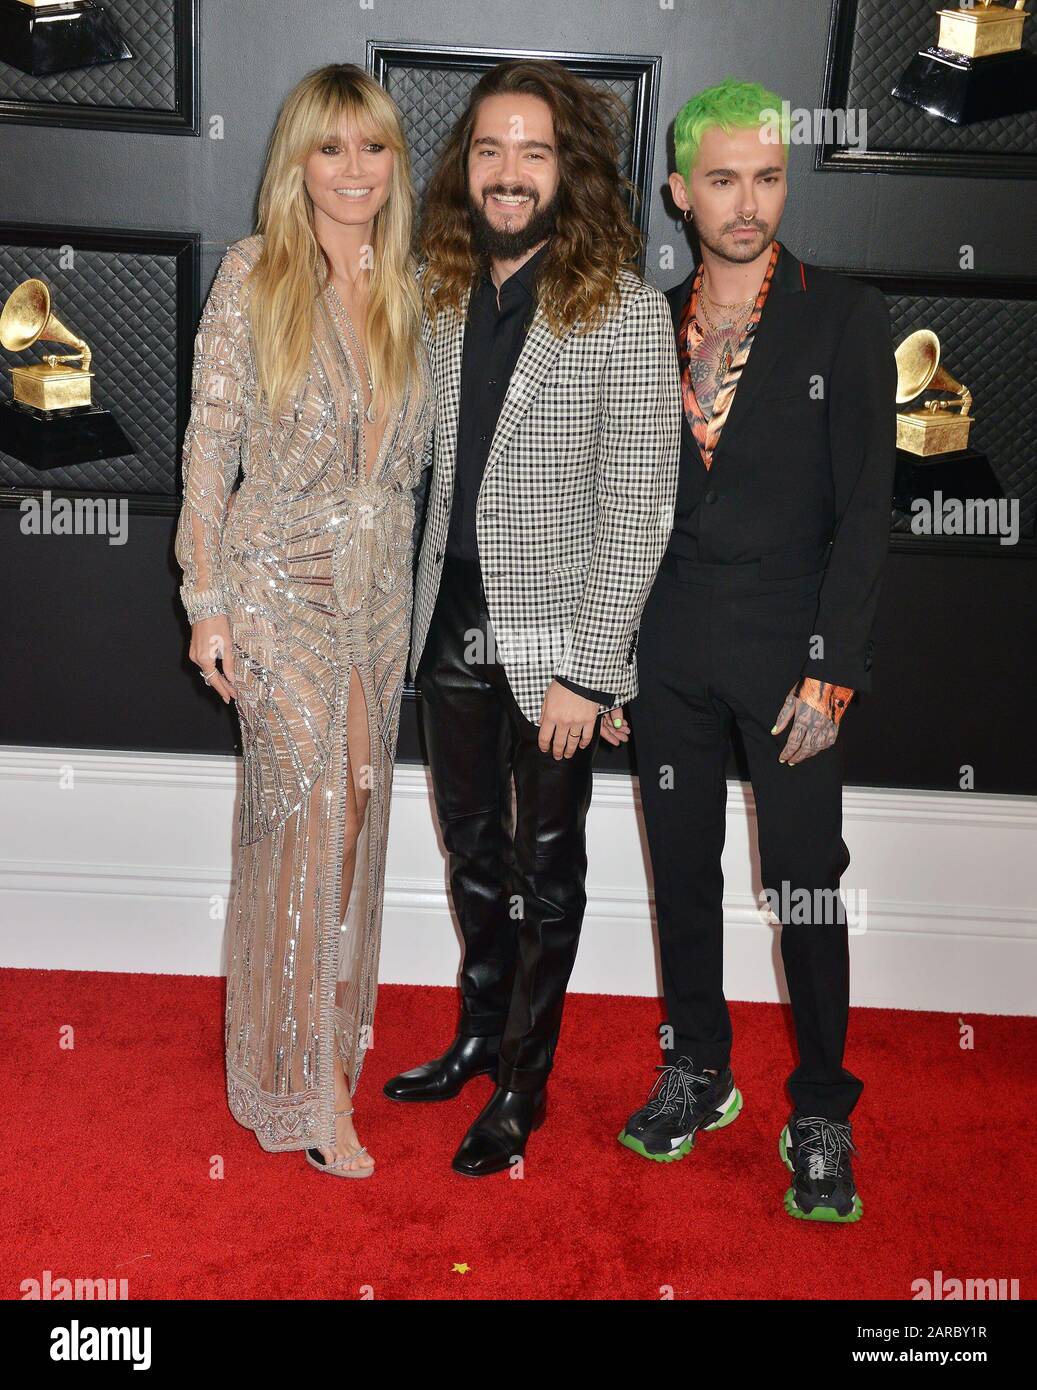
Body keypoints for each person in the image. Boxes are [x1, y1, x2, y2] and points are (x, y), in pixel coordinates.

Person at [384, 59, 680, 1177]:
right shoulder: (438, 289)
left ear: (571, 171)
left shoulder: (625, 312)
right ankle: (475, 1029)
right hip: (447, 610)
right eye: (490, 151)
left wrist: (592, 669)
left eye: (534, 152)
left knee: (544, 865)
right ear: (467, 167)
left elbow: (638, 508)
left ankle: (524, 1080)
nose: (509, 174)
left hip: (560, 637)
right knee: (470, 850)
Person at [609, 77, 896, 1222]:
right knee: (678, 870)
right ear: (678, 191)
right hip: (667, 644)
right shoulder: (642, 323)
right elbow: (618, 499)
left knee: (804, 885)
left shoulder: (841, 316)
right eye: (722, 180)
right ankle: (699, 1068)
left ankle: (819, 1107)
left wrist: (832, 666)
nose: (746, 202)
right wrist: (608, 654)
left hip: (791, 652)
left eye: (767, 177)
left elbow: (867, 508)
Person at [175, 63, 433, 1179]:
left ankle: (309, 1028)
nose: (353, 171)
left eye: (372, 147)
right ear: (297, 162)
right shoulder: (253, 275)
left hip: (378, 598)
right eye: (330, 149)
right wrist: (204, 598)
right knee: (310, 814)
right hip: (274, 586)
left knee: (358, 813)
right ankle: (304, 1083)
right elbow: (208, 443)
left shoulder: (413, 284)